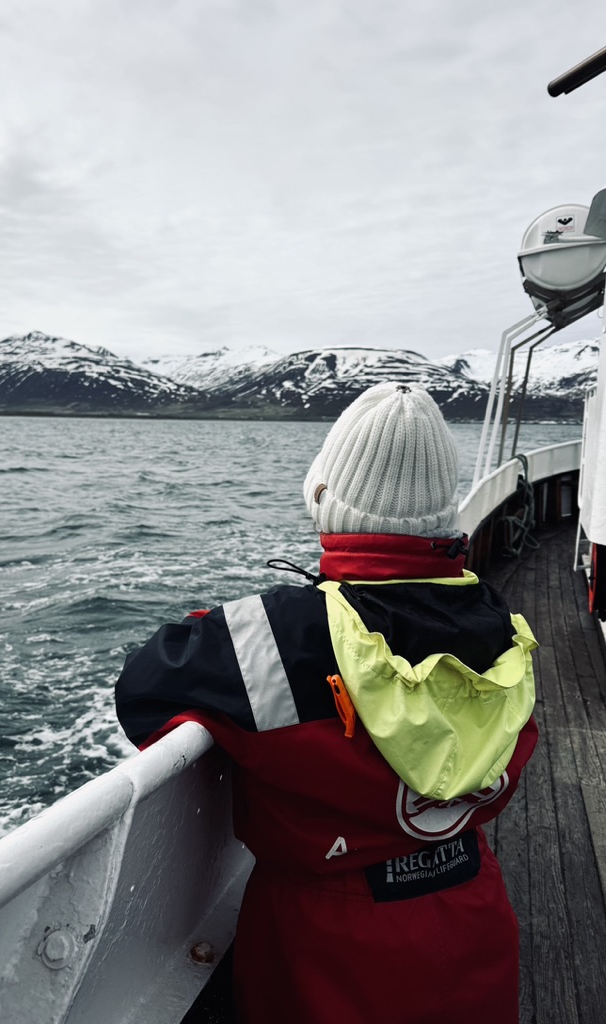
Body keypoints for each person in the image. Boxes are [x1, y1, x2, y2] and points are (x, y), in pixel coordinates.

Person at [115, 381, 538, 1024]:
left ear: (323, 499)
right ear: (441, 514)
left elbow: (143, 690)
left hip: (328, 943)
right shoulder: (502, 623)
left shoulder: (277, 633)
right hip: (470, 909)